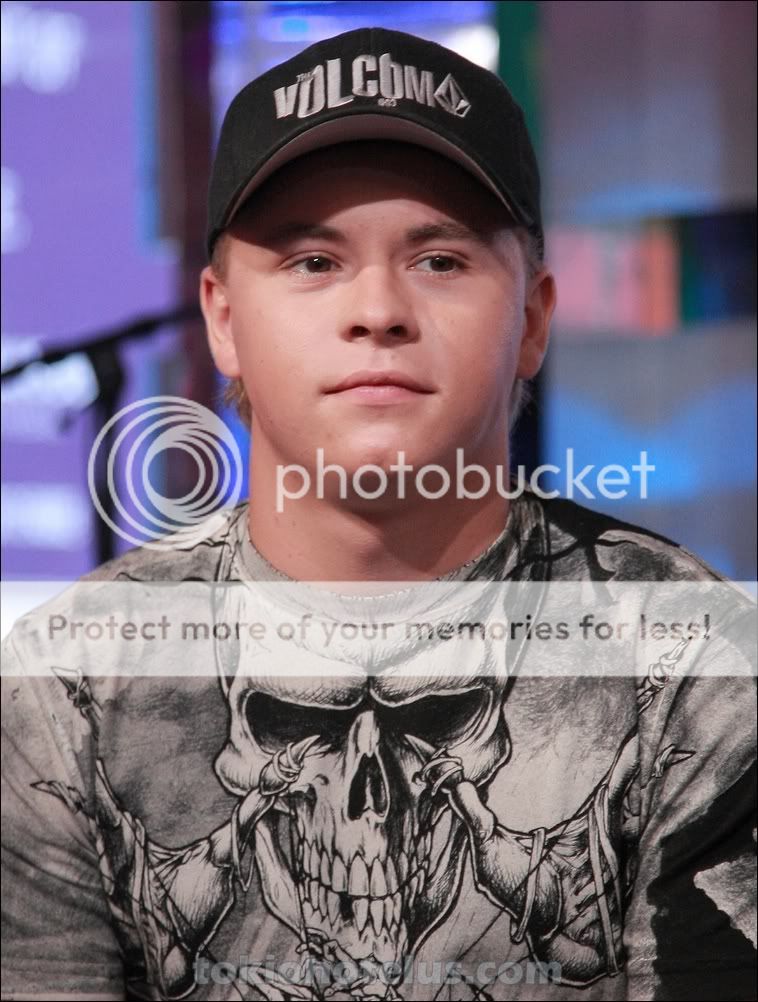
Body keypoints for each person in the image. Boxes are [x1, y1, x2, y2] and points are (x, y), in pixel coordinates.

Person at [2, 26, 755, 1002]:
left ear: (531, 318)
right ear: (222, 318)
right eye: (313, 260)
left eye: (438, 260)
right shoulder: (66, 686)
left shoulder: (692, 663)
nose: (377, 309)